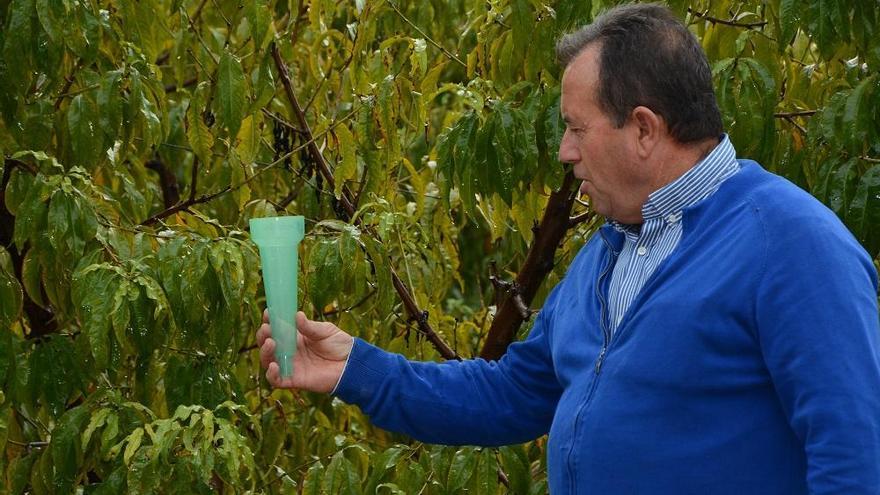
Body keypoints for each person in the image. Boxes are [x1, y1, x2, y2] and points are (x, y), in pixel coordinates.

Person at [256, 4, 880, 493]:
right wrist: (355, 371)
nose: (565, 151)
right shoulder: (609, 253)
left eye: (578, 128)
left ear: (643, 128)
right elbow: (508, 395)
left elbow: (855, 455)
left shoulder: (792, 244)